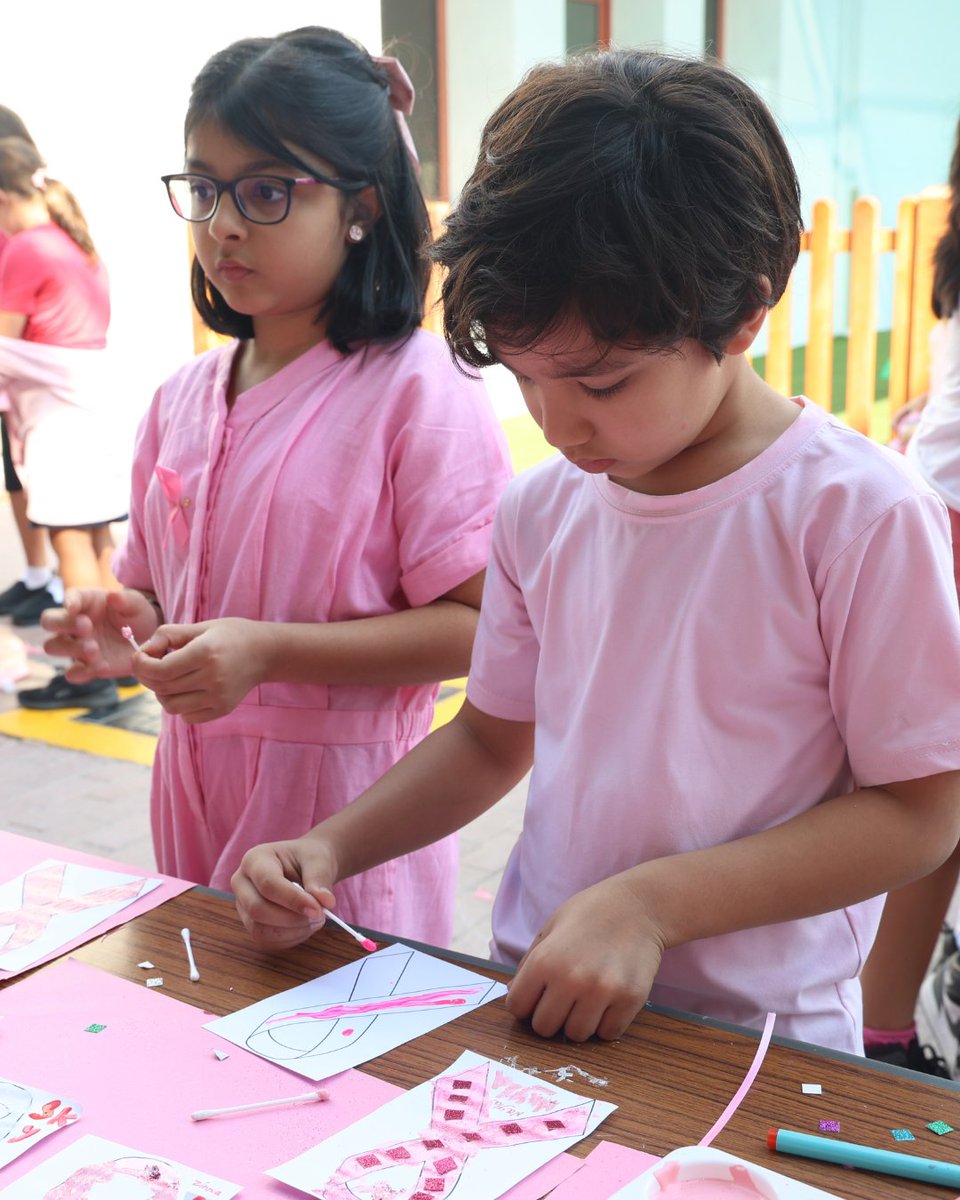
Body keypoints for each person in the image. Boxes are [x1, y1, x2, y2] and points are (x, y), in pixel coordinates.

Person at [231, 48, 960, 1055]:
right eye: (527, 378)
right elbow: (492, 739)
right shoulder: (542, 510)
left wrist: (650, 907)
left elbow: (921, 811)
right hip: (543, 983)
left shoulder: (858, 515)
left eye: (604, 383)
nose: (559, 423)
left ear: (744, 311)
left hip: (758, 1036)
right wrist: (329, 846)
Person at [41, 28, 512, 945]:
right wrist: (124, 626)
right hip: (190, 794)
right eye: (205, 188)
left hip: (345, 822)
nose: (222, 224)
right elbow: (163, 593)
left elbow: (482, 628)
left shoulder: (420, 390)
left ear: (361, 207)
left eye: (265, 192)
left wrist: (270, 652)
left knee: (338, 1059)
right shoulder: (181, 398)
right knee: (197, 1028)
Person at [860, 114, 960, 1077]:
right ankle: (886, 1023)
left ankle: (890, 1016)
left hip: (936, 499)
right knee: (937, 786)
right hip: (947, 517)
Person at [0, 137, 128, 709]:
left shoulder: (26, 250)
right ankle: (122, 657)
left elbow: (5, 340)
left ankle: (89, 671)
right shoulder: (73, 243)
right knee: (100, 546)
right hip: (91, 411)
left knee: (70, 542)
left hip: (56, 421)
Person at [0, 106, 59, 626]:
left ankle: (59, 584)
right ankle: (40, 576)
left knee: (57, 494)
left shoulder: (27, 235)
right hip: (21, 378)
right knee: (18, 478)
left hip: (32, 379)